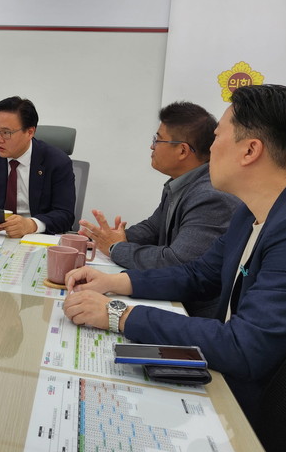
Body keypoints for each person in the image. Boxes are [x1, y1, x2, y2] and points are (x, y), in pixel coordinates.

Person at [62, 84, 286, 425]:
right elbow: (200, 274)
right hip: (237, 379)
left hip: (283, 412)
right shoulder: (256, 208)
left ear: (250, 150)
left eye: (217, 137)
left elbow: (245, 347)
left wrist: (119, 314)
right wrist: (115, 282)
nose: (210, 148)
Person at [80, 101, 240, 316]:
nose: (152, 146)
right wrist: (110, 237)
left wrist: (115, 248)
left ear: (182, 150)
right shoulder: (181, 182)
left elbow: (175, 262)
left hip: (193, 312)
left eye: (158, 139)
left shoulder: (210, 195)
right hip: (169, 295)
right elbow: (153, 228)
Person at [0, 96, 76, 237]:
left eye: (6, 132)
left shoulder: (57, 161)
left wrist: (31, 225)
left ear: (30, 132)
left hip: (38, 237)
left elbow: (65, 214)